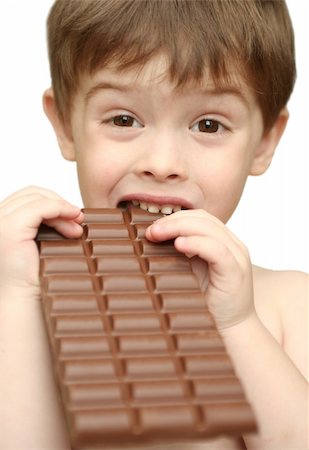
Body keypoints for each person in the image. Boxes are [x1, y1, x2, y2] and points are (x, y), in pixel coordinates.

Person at [0, 1, 307, 449]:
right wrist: (16, 296)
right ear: (66, 123)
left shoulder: (287, 305)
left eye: (209, 124)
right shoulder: (25, 301)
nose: (162, 165)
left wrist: (236, 325)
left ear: (264, 142)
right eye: (123, 119)